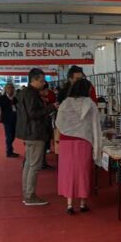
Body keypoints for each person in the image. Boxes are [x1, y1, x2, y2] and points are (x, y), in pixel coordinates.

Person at [55, 79, 102, 215]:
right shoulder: (89, 104)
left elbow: (59, 122)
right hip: (84, 141)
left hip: (66, 141)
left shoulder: (65, 103)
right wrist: (97, 143)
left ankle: (69, 204)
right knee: (83, 171)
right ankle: (82, 203)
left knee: (68, 171)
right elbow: (95, 125)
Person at [16, 68, 58, 206]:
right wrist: (51, 107)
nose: (43, 83)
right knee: (34, 165)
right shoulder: (31, 94)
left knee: (29, 164)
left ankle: (27, 192)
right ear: (33, 80)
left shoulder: (25, 93)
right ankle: (30, 195)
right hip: (35, 133)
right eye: (41, 80)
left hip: (29, 132)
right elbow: (33, 114)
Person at [0, 83, 19, 158]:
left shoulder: (15, 98)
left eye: (12, 88)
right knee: (9, 135)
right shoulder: (1, 98)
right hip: (7, 119)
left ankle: (10, 150)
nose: (10, 89)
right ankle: (9, 151)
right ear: (5, 89)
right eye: (8, 88)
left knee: (13, 135)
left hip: (15, 118)